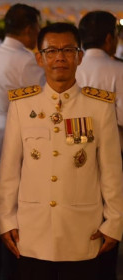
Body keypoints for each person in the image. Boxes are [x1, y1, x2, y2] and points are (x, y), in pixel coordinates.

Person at [0, 22, 123, 280]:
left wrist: (114, 221)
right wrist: (6, 219)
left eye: (67, 50)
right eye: (51, 51)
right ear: (39, 58)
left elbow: (111, 170)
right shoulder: (22, 105)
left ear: (80, 57)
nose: (60, 58)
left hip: (82, 231)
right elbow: (10, 170)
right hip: (32, 231)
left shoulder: (99, 106)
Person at [0, 4, 45, 279]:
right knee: (13, 219)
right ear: (30, 29)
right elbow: (40, 105)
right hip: (14, 146)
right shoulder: (26, 60)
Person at [76, 11, 123, 280]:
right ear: (109, 38)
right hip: (113, 153)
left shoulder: (71, 65)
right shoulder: (118, 69)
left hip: (73, 152)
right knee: (110, 214)